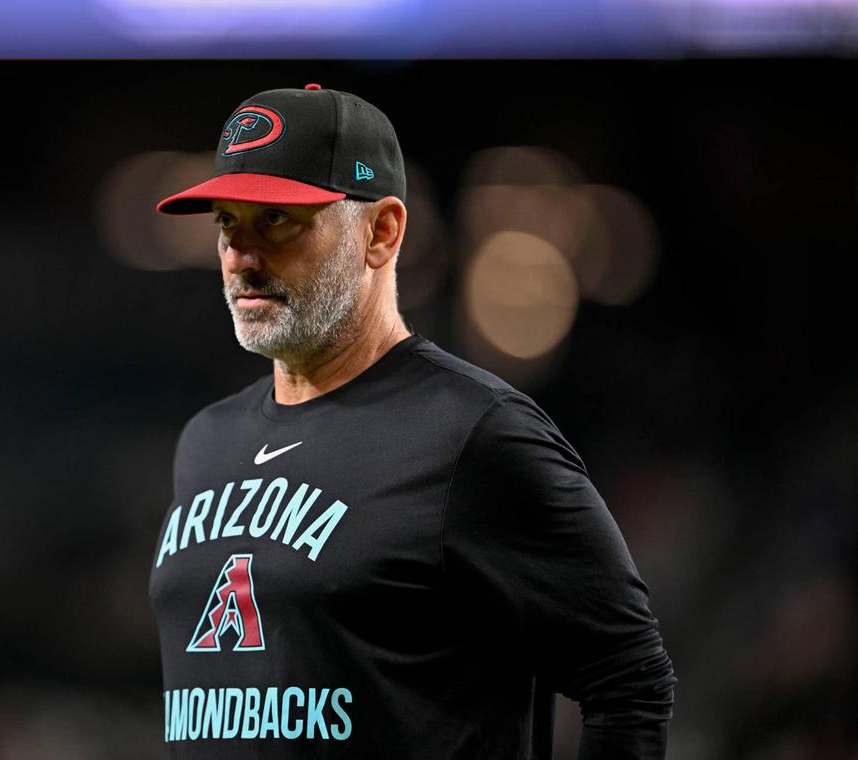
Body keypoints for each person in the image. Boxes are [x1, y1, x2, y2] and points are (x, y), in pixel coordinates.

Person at [148, 83, 676, 759]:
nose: (242, 257)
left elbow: (628, 678)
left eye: (277, 220)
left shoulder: (474, 434)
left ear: (381, 232)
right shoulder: (205, 442)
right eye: (228, 221)